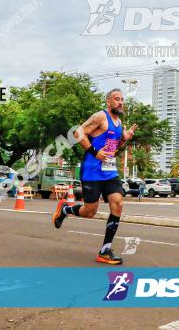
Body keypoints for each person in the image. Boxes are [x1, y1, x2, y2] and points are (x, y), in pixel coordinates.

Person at [52, 88, 137, 264]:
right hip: (91, 169)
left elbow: (115, 145)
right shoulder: (100, 116)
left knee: (118, 203)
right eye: (116, 99)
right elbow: (77, 133)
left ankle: (105, 251)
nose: (120, 102)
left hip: (109, 171)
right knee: (90, 212)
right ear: (108, 102)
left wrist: (124, 138)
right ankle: (65, 210)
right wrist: (94, 151)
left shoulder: (119, 122)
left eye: (122, 99)